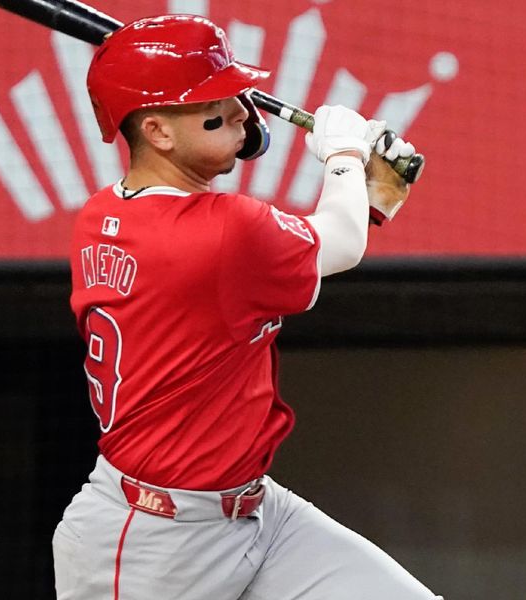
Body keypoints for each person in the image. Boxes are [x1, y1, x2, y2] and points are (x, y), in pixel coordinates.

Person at [53, 14, 440, 600]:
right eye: (211, 99)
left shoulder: (104, 214)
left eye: (233, 90)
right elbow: (336, 243)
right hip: (152, 547)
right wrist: (343, 156)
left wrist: (367, 198)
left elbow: (285, 256)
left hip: (258, 515)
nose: (238, 108)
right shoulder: (221, 231)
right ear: (157, 131)